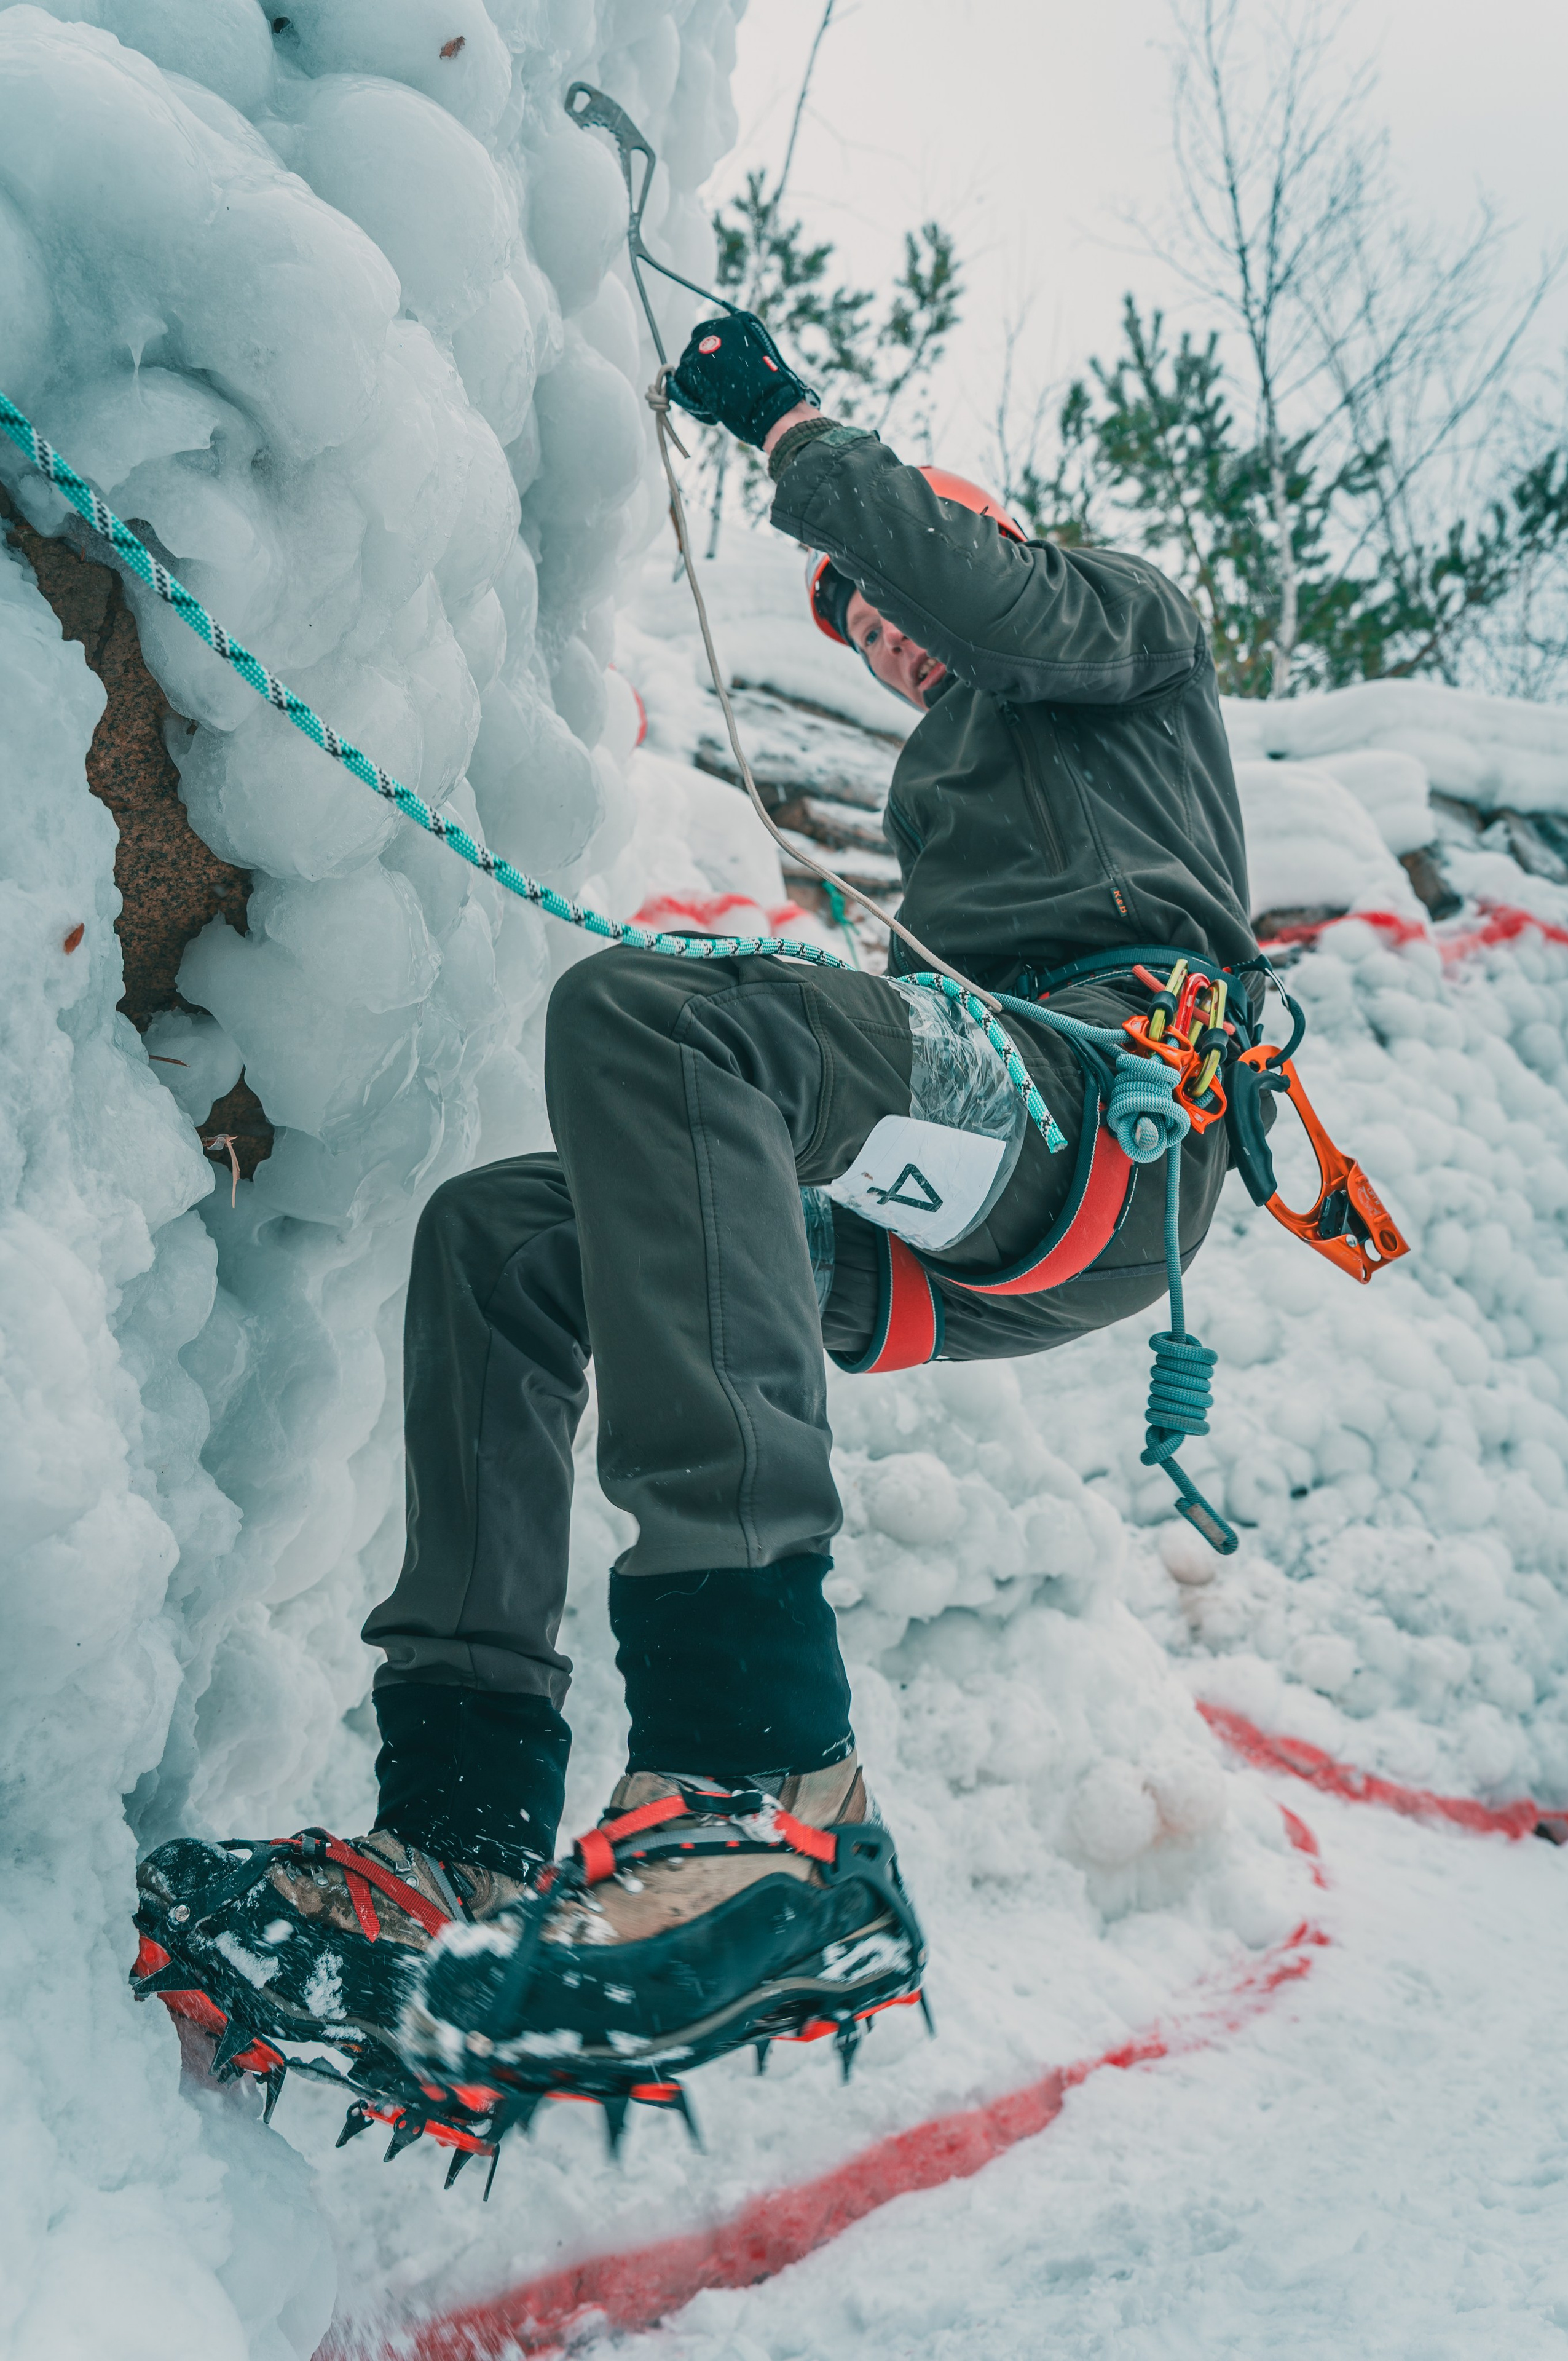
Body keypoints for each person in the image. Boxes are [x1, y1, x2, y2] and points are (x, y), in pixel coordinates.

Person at [132, 309, 1258, 2149]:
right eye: (856, 628)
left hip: (1110, 1123)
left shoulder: (1119, 627)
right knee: (510, 1235)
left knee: (661, 1015)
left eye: (883, 602)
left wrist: (796, 430)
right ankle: (466, 1834)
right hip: (976, 1216)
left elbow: (983, 586)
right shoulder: (952, 772)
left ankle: (757, 1776)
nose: (883, 634)